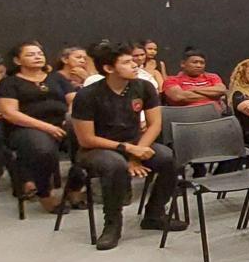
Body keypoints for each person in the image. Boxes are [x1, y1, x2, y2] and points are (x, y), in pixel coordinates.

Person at [72, 42, 185, 250]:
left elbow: (155, 124)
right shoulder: (87, 95)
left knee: (168, 157)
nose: (135, 65)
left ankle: (154, 214)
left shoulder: (144, 87)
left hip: (134, 144)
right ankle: (112, 223)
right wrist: (129, 150)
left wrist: (136, 154)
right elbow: (86, 139)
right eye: (126, 62)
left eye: (133, 60)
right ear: (108, 68)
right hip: (97, 148)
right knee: (115, 165)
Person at [0, 41, 75, 213]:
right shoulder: (9, 83)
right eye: (30, 54)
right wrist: (47, 127)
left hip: (61, 124)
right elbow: (10, 113)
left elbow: (74, 100)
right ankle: (45, 194)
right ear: (17, 60)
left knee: (87, 142)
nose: (37, 57)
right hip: (26, 128)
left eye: (40, 54)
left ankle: (75, 189)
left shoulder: (57, 78)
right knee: (43, 150)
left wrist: (69, 117)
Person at [162, 48, 227, 108]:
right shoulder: (172, 80)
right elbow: (179, 97)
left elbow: (222, 90)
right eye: (195, 62)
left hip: (214, 113)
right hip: (186, 113)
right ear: (183, 64)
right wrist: (214, 96)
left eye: (202, 63)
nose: (199, 65)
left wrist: (191, 90)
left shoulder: (212, 77)